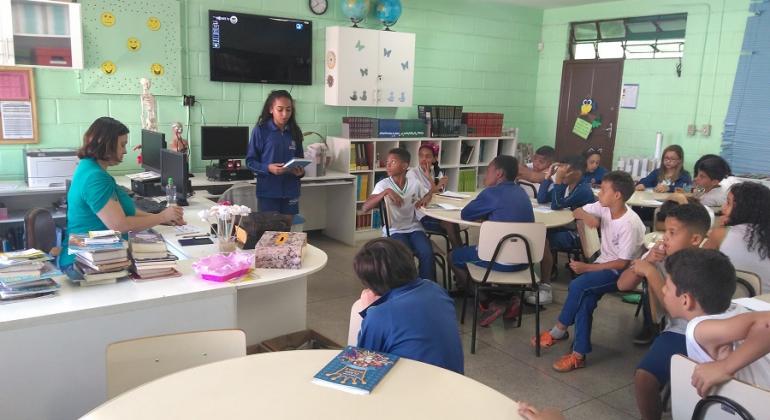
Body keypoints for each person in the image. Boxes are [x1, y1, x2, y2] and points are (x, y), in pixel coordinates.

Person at [533, 171, 645, 372]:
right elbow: (576, 211)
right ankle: (579, 354)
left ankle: (559, 330)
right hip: (606, 263)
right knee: (584, 301)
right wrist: (587, 216)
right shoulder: (604, 207)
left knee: (578, 284)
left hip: (624, 273)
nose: (599, 193)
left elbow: (621, 264)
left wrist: (587, 268)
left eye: (603, 190)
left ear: (617, 195)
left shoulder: (630, 223)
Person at [616, 204, 711, 420]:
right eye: (664, 231)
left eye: (672, 233)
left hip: (700, 332)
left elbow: (676, 311)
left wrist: (650, 272)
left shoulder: (704, 266)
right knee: (644, 378)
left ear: (695, 240)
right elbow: (623, 285)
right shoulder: (661, 258)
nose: (665, 238)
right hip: (676, 332)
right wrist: (648, 260)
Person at [60, 117, 185, 276]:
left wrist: (162, 217)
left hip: (97, 255)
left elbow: (125, 211)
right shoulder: (95, 178)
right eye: (122, 144)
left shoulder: (89, 167)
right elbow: (120, 225)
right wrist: (160, 217)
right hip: (85, 262)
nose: (125, 150)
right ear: (105, 143)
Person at [660, 248, 770, 394]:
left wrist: (725, 366)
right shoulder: (736, 308)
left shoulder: (700, 328)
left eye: (667, 287)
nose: (662, 291)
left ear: (686, 300)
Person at [352, 238, 464, 374]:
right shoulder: (436, 290)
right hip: (454, 385)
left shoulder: (379, 315)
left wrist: (368, 311)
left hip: (411, 390)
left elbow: (360, 367)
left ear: (371, 284)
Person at [451, 155, 534, 326]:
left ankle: (489, 302)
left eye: (488, 170)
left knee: (453, 257)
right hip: (525, 261)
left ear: (499, 174)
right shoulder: (522, 192)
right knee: (492, 250)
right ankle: (511, 297)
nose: (484, 175)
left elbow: (466, 214)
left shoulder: (492, 193)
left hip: (500, 260)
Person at [530, 154, 596, 304]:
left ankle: (545, 283)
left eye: (565, 172)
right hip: (565, 227)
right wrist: (548, 178)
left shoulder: (583, 189)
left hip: (579, 235)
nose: (561, 175)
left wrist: (558, 181)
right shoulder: (567, 186)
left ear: (577, 173)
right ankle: (540, 273)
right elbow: (542, 199)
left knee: (543, 238)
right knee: (539, 234)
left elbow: (556, 204)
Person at [363, 148, 434, 281]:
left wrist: (426, 197)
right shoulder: (383, 184)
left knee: (427, 253)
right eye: (387, 162)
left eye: (393, 162)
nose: (388, 165)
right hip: (394, 230)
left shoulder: (414, 183)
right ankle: (408, 286)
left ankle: (426, 286)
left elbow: (429, 193)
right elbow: (365, 207)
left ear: (405, 166)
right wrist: (386, 192)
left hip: (414, 227)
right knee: (405, 256)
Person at [245, 90, 305, 215]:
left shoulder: (295, 131)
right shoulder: (260, 131)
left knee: (288, 233)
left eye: (288, 110)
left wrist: (300, 172)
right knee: (270, 232)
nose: (285, 114)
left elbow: (300, 159)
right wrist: (268, 168)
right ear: (271, 109)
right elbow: (250, 162)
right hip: (268, 192)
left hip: (291, 191)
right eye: (280, 109)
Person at [703, 182, 770, 292]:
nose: (723, 208)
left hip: (726, 300)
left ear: (743, 209)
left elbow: (698, 264)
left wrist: (719, 227)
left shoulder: (721, 234)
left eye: (728, 203)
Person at [407, 142, 462, 248]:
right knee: (451, 224)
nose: (423, 159)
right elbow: (424, 198)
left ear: (434, 159)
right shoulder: (412, 174)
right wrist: (430, 179)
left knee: (454, 222)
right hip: (422, 216)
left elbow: (438, 195)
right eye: (421, 156)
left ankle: (457, 256)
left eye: (428, 156)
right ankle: (458, 257)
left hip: (438, 211)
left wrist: (432, 180)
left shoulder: (437, 172)